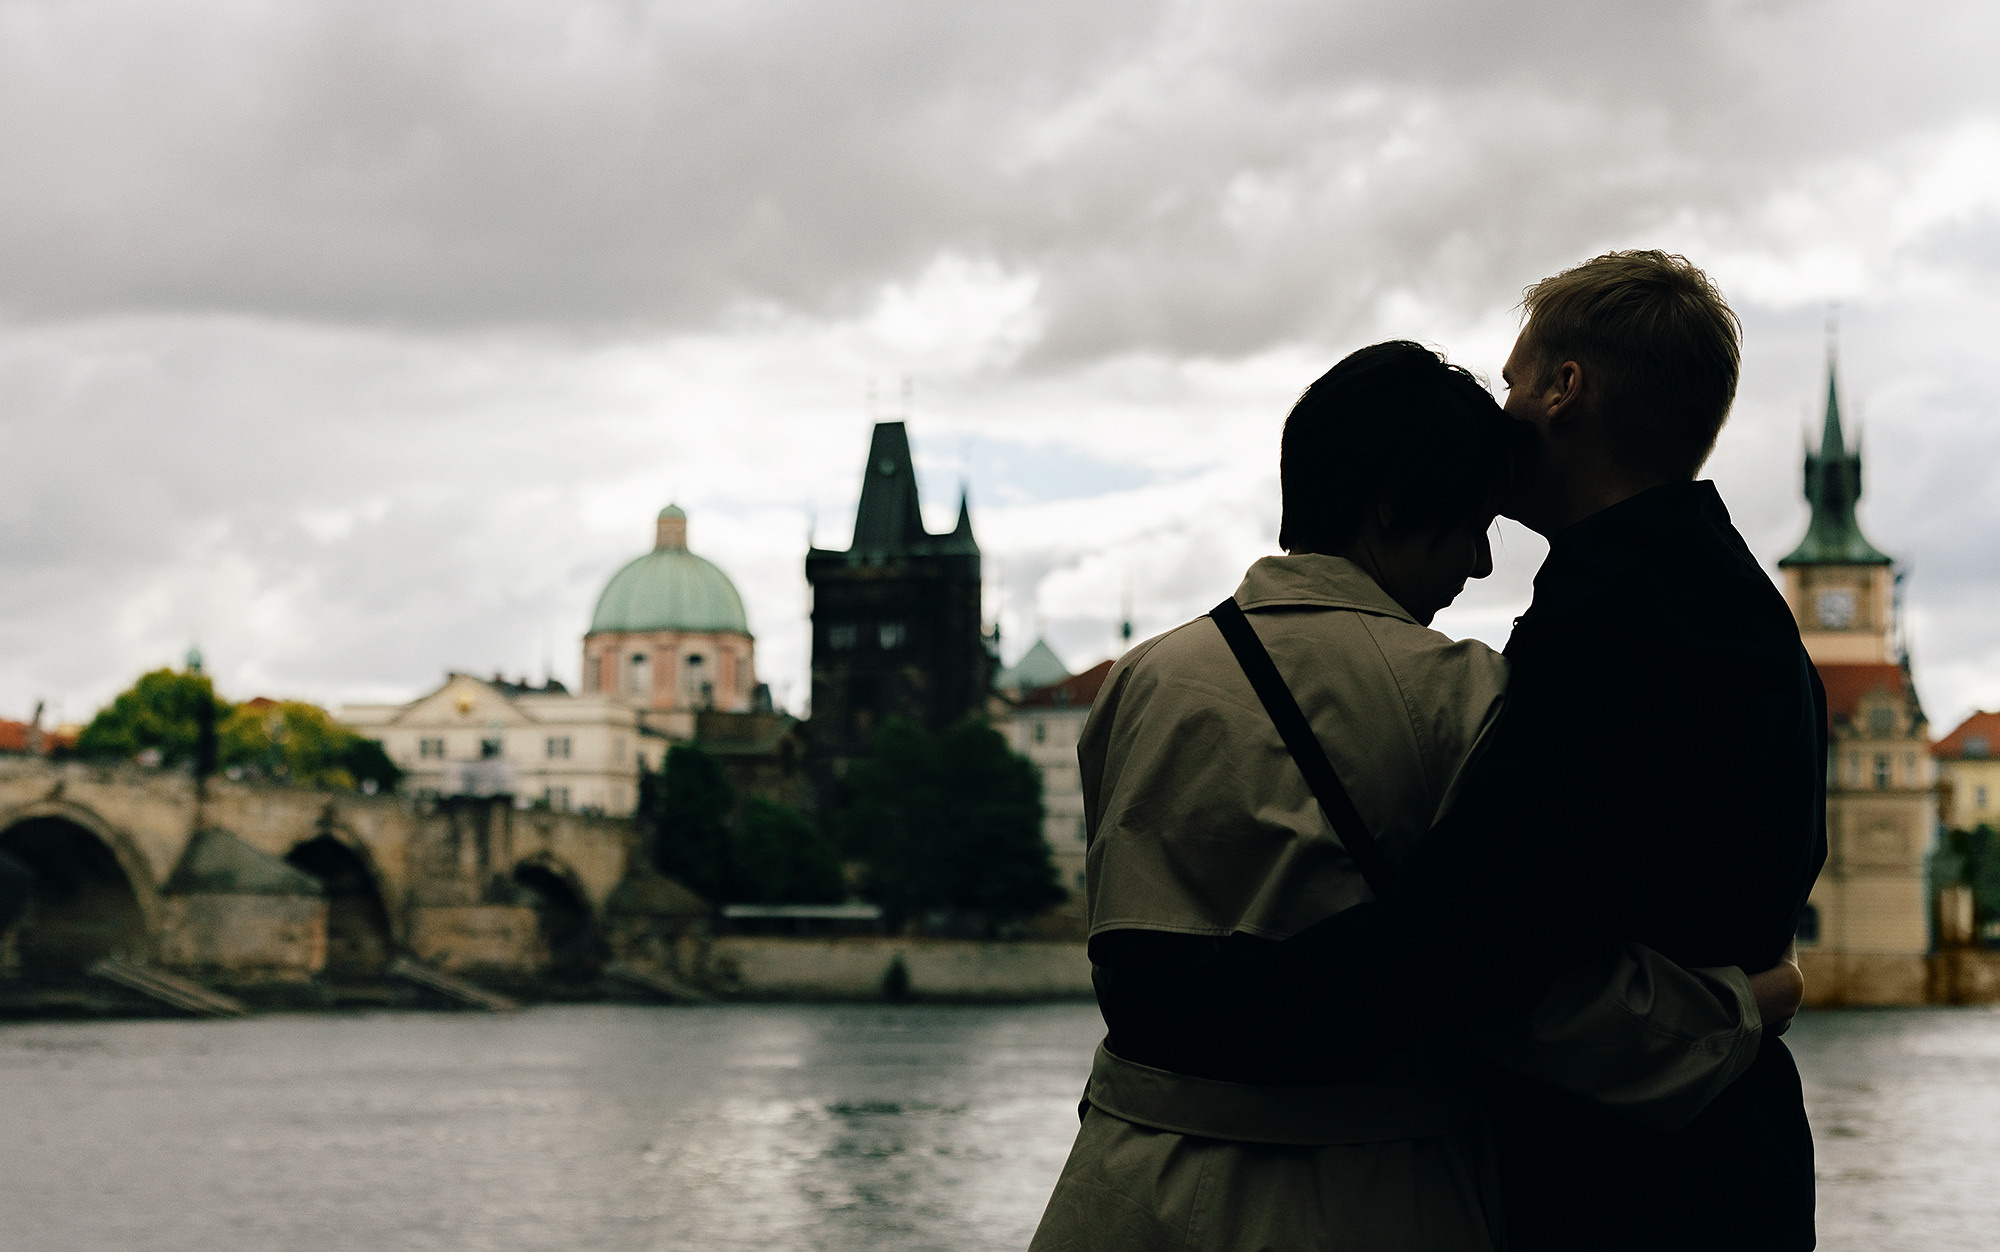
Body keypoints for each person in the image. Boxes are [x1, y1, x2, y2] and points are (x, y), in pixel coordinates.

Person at [1028, 340, 1803, 1252]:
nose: (1478, 566)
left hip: (1119, 1185)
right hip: (1360, 1191)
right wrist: (1737, 1010)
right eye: (1473, 526)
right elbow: (1510, 989)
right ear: (1393, 509)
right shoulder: (1468, 696)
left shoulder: (1141, 681)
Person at [1402, 251, 1825, 1250]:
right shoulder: (1726, 600)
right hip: (1730, 1159)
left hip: (1623, 1183)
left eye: (1512, 380)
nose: (1499, 409)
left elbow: (1489, 930)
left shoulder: (1611, 623)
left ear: (1564, 389)